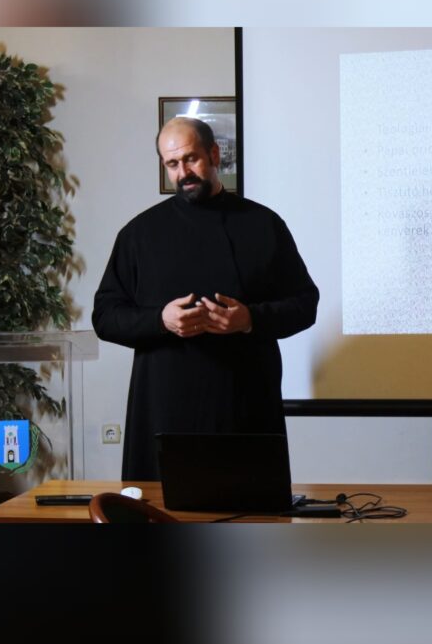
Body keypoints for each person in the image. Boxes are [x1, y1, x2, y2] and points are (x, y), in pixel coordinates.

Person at [92, 117, 319, 480]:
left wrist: (250, 320)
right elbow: (105, 316)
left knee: (251, 511)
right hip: (164, 410)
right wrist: (160, 320)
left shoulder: (264, 224)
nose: (183, 172)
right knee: (160, 514)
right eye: (172, 164)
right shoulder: (139, 234)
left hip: (246, 410)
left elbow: (305, 303)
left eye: (191, 158)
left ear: (214, 154)